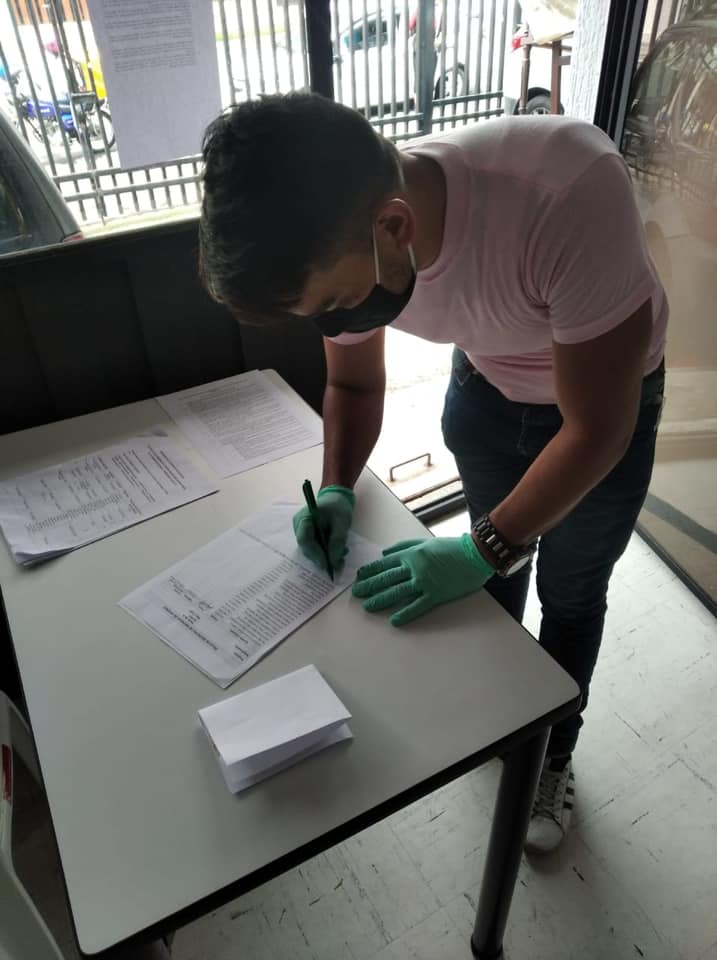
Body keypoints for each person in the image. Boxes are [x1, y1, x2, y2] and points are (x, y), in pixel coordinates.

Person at [198, 93, 667, 853]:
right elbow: (352, 385)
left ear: (393, 227)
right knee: (495, 583)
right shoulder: (354, 233)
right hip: (487, 389)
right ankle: (503, 716)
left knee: (571, 593)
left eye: (335, 303)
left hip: (605, 404)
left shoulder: (568, 190)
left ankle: (551, 753)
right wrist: (339, 485)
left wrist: (482, 545)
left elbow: (596, 430)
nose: (333, 325)